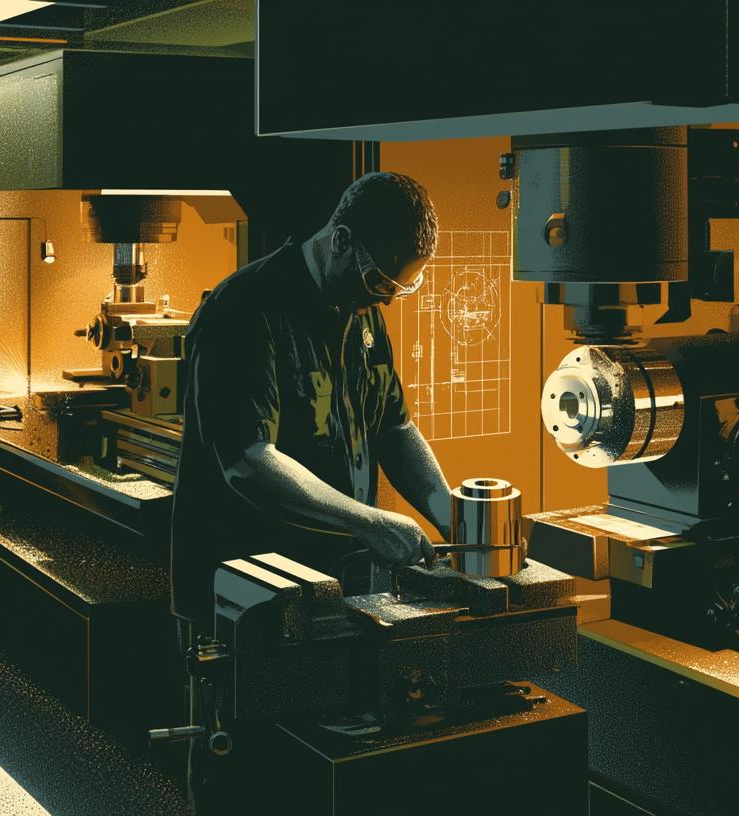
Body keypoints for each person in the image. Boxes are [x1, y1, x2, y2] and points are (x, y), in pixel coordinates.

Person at [169, 172, 454, 808]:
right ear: (340, 238)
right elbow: (248, 460)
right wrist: (372, 523)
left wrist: (453, 514)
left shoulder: (363, 317)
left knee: (316, 767)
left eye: (400, 288)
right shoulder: (243, 311)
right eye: (380, 281)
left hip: (333, 588)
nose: (384, 299)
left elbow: (395, 426)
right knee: (238, 765)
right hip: (240, 589)